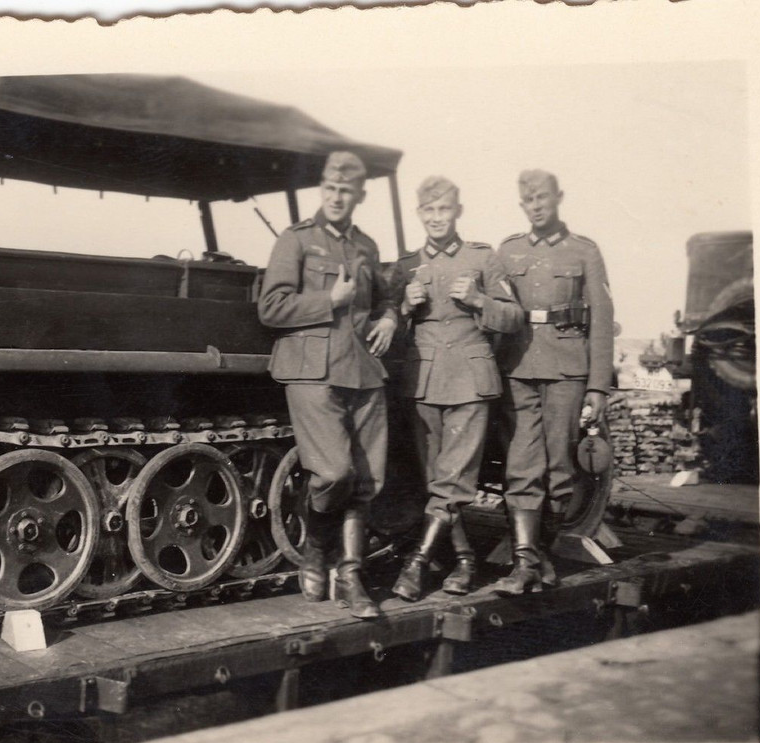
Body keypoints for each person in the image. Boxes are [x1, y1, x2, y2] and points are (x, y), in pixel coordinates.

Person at [258, 151, 399, 619]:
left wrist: (390, 317)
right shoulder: (295, 240)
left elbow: (384, 293)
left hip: (361, 370)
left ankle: (352, 576)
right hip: (311, 371)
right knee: (335, 473)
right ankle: (317, 547)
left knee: (367, 480)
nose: (337, 198)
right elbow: (271, 308)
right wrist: (328, 299)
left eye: (347, 191)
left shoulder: (367, 246)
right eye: (331, 189)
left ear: (359, 195)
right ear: (323, 190)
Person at [390, 177, 524, 601]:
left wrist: (481, 300)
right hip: (424, 380)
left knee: (454, 478)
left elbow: (514, 318)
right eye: (428, 211)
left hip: (469, 379)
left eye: (443, 210)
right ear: (419, 214)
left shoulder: (482, 258)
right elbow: (385, 335)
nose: (435, 218)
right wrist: (403, 308)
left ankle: (417, 563)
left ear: (457, 211)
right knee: (436, 479)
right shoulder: (404, 266)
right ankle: (465, 560)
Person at [493, 169, 615, 595]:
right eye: (528, 199)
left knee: (561, 469)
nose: (536, 205)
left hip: (567, 368)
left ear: (558, 197)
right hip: (519, 368)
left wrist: (598, 387)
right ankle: (526, 564)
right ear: (521, 204)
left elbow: (601, 320)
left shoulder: (584, 251)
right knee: (521, 465)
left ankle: (537, 555)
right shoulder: (506, 252)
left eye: (542, 197)